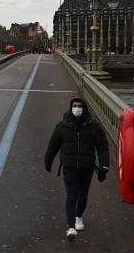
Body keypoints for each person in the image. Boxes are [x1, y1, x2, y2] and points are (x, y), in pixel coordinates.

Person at [44, 97, 110, 241]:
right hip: (69, 166)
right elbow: (53, 145)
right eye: (74, 106)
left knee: (83, 195)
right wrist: (48, 160)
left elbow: (102, 147)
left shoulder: (94, 127)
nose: (77, 108)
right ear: (70, 107)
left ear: (84, 108)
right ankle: (70, 227)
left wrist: (104, 165)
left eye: (79, 106)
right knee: (71, 195)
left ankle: (78, 216)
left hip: (87, 167)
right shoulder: (62, 126)